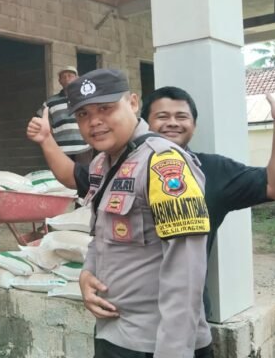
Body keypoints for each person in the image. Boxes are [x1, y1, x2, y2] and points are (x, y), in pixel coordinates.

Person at [28, 86, 275, 318]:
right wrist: (46, 139)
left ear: (194, 125)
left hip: (183, 315)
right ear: (144, 121)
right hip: (124, 317)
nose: (172, 123)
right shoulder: (115, 168)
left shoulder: (214, 170)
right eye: (162, 116)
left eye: (181, 117)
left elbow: (274, 185)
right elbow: (72, 176)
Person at [30, 69, 212, 356]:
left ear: (133, 103)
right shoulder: (102, 164)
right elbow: (103, 233)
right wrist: (88, 272)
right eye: (83, 114)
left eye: (105, 108)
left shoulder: (163, 163)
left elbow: (186, 273)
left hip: (155, 344)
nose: (94, 121)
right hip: (115, 334)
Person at [36, 66, 91, 165]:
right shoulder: (51, 102)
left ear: (77, 78)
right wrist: (50, 137)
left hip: (84, 148)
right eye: (63, 77)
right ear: (59, 81)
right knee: (64, 175)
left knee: (85, 174)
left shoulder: (85, 99)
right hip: (61, 150)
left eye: (70, 76)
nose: (67, 79)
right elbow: (41, 119)